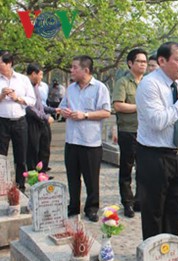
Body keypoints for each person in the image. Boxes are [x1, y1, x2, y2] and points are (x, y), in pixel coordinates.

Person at [135, 42, 178, 261]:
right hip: (154, 156)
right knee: (154, 211)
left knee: (174, 209)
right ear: (162, 61)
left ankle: (173, 255)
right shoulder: (149, 85)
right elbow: (158, 122)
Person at [60, 55, 111, 222]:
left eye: (75, 67)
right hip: (72, 141)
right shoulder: (70, 88)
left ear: (86, 70)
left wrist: (85, 115)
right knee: (72, 177)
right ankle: (73, 207)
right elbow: (61, 107)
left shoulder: (100, 88)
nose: (71, 70)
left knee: (91, 178)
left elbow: (106, 112)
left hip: (90, 142)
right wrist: (65, 112)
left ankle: (92, 208)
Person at [113, 48, 147, 218]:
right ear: (130, 63)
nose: (143, 64)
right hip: (128, 131)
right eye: (139, 61)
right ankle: (127, 202)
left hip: (146, 132)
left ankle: (140, 200)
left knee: (144, 169)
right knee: (126, 168)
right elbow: (118, 105)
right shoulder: (123, 82)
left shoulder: (148, 82)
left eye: (145, 62)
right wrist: (140, 107)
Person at [0, 50, 36, 192]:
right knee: (1, 156)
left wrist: (17, 98)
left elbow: (32, 100)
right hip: (2, 122)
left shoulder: (22, 79)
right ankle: (2, 184)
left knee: (21, 156)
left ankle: (20, 185)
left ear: (9, 63)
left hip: (20, 121)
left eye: (1, 62)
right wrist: (1, 96)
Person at [25, 63, 59, 173]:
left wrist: (53, 110)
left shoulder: (37, 87)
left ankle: (42, 172)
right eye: (40, 74)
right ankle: (33, 174)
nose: (41, 77)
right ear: (34, 74)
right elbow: (29, 107)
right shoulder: (25, 86)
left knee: (45, 146)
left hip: (42, 120)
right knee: (33, 149)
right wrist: (45, 117)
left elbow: (39, 105)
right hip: (32, 121)